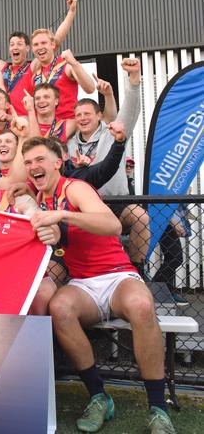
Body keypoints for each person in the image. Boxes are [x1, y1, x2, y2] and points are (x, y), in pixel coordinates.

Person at [23, 137, 176, 434]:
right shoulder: (40, 198)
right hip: (82, 283)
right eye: (28, 162)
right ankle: (99, 397)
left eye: (39, 160)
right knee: (59, 307)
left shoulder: (74, 188)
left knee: (142, 305)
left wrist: (65, 216)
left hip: (117, 275)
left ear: (58, 162)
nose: (32, 167)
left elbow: (113, 226)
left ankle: (158, 407)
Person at [67, 58, 148, 274]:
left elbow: (129, 112)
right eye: (78, 115)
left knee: (141, 217)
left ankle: (137, 268)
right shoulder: (68, 144)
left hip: (115, 202)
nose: (82, 118)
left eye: (87, 114)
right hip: (84, 207)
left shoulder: (112, 133)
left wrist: (133, 79)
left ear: (99, 116)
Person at [30, 30, 96, 120]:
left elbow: (90, 88)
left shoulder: (66, 65)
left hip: (69, 125)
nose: (40, 47)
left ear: (53, 45)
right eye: (36, 44)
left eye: (43, 43)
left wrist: (74, 63)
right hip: (46, 127)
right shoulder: (35, 75)